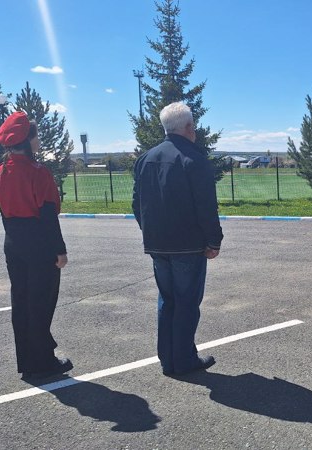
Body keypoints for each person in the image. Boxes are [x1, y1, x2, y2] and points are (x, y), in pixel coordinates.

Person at [132, 102, 223, 376]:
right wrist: (214, 240)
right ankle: (184, 360)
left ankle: (168, 358)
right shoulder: (194, 159)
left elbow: (137, 204)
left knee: (167, 300)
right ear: (189, 128)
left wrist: (149, 231)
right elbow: (206, 205)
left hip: (157, 244)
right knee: (186, 303)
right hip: (187, 245)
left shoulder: (145, 159)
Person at [0, 111, 73, 380]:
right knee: (41, 302)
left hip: (13, 241)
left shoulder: (1, 171)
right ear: (27, 140)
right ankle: (43, 361)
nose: (39, 141)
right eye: (36, 136)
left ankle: (27, 359)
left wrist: (14, 240)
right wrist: (59, 250)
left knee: (22, 301)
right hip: (39, 242)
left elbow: (3, 211)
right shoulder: (38, 172)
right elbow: (48, 215)